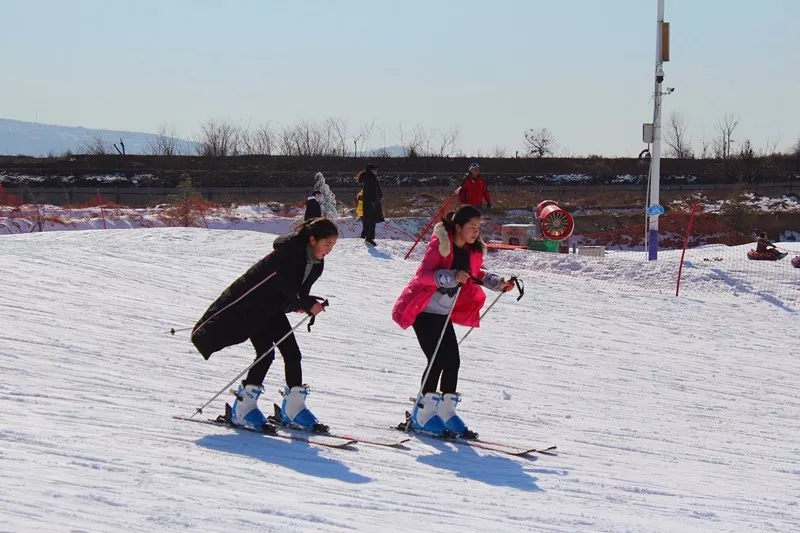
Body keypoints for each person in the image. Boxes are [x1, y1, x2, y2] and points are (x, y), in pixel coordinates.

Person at [190, 218, 338, 432]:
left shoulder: (315, 263)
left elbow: (293, 293)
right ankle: (243, 409)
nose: (329, 250)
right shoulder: (289, 253)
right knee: (265, 353)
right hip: (254, 308)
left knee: (292, 353)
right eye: (327, 244)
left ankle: (293, 409)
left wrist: (301, 304)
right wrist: (304, 303)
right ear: (312, 239)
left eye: (333, 246)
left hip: (272, 308)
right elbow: (289, 289)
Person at [391, 204, 515, 439]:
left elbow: (477, 274)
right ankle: (422, 414)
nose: (476, 232)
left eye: (479, 228)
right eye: (472, 227)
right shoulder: (441, 245)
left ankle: (446, 411)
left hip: (443, 314)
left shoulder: (470, 251)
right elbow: (423, 275)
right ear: (458, 227)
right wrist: (450, 276)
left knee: (453, 361)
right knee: (437, 359)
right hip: (424, 310)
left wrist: (500, 283)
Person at [356, 163, 384, 246]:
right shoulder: (371, 177)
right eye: (375, 169)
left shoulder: (367, 177)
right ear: (372, 170)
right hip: (371, 203)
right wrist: (374, 200)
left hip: (368, 202)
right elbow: (373, 190)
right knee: (371, 221)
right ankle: (369, 238)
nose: (376, 171)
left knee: (368, 221)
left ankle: (367, 237)